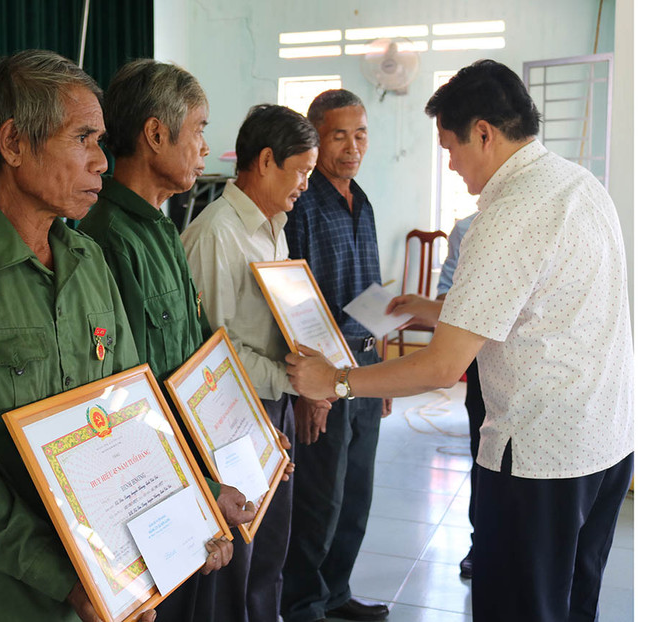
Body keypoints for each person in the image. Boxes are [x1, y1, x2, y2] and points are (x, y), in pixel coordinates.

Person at [285, 59, 634, 622]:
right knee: (572, 598)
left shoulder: (507, 213)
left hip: (541, 456)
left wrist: (339, 381)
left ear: (484, 133)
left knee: (521, 604)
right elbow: (538, 305)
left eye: (450, 148)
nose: (450, 165)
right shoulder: (577, 184)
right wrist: (435, 308)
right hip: (604, 440)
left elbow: (445, 366)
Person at [0, 49, 223, 622]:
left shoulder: (88, 261)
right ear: (15, 143)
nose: (101, 161)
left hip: (99, 576)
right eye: (83, 139)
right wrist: (69, 578)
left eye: (100, 141)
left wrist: (187, 514)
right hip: (4, 594)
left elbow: (129, 414)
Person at [76, 58, 260, 621]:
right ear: (156, 134)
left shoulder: (158, 226)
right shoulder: (108, 238)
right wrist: (199, 487)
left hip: (191, 469)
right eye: (200, 128)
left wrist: (245, 431)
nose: (206, 146)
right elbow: (125, 395)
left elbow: (198, 355)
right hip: (155, 489)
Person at [181, 104, 322, 622]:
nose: (306, 183)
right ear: (265, 161)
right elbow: (209, 353)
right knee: (238, 555)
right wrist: (293, 378)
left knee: (270, 547)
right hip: (231, 418)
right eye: (301, 170)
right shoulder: (216, 233)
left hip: (271, 406)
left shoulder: (271, 227)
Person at [280, 89, 391, 622]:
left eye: (361, 133)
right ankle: (303, 605)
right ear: (317, 139)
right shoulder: (302, 205)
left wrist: (385, 367)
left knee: (356, 493)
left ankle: (337, 592)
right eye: (339, 135)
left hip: (366, 365)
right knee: (321, 496)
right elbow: (297, 300)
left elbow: (369, 291)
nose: (353, 146)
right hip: (326, 370)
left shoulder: (361, 199)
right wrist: (311, 389)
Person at [435, 211, 481, 579]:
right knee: (482, 458)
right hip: (482, 367)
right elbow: (445, 296)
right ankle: (479, 541)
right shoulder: (466, 228)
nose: (451, 163)